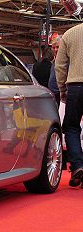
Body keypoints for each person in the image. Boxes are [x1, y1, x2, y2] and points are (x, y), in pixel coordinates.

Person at [55, 23, 83, 187]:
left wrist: (62, 89)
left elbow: (60, 66)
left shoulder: (69, 34)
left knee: (71, 127)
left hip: (76, 87)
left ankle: (78, 165)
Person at [48, 36, 61, 106]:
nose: (55, 49)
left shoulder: (66, 61)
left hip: (61, 95)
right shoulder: (54, 62)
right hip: (54, 95)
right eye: (53, 47)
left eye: (58, 47)